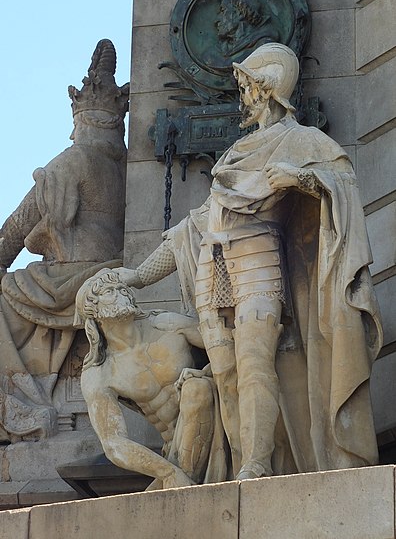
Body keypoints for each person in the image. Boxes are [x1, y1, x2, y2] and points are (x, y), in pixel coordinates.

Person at [116, 43, 382, 480]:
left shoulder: (302, 140)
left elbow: (343, 186)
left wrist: (302, 178)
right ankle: (241, 462)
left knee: (256, 362)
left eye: (246, 85)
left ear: (267, 87)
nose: (242, 95)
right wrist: (138, 276)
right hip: (213, 264)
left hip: (259, 259)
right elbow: (194, 225)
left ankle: (257, 464)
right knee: (225, 373)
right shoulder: (237, 153)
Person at [0, 39, 129, 440]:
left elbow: (14, 232)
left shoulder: (71, 161)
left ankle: (22, 406)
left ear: (80, 120)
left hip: (69, 279)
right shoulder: (131, 167)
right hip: (114, 270)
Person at [75, 269, 228, 489]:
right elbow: (113, 444)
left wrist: (206, 371)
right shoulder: (100, 372)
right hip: (175, 448)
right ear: (92, 310)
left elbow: (228, 348)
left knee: (196, 387)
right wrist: (167, 472)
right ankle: (183, 482)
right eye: (110, 291)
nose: (121, 293)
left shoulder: (167, 324)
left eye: (122, 288)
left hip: (221, 419)